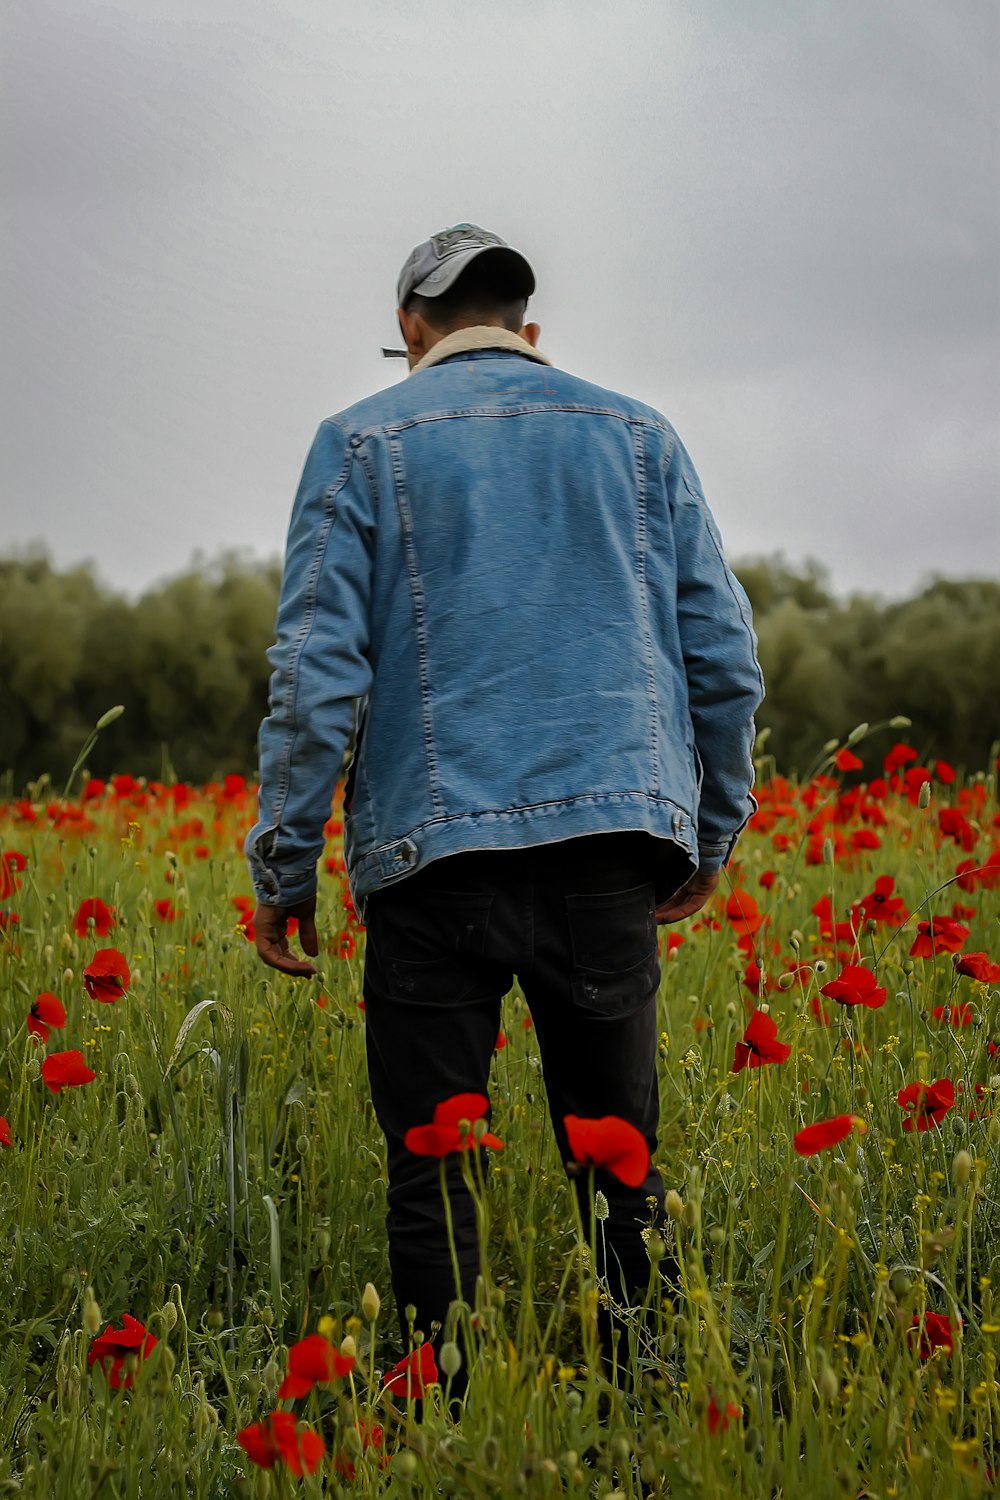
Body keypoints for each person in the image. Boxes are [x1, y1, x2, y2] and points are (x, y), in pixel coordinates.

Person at [247, 223, 764, 1381]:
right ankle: (652, 1410)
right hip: (606, 855)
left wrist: (283, 868)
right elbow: (726, 660)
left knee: (434, 1169)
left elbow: (313, 680)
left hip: (432, 867)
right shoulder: (638, 436)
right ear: (529, 333)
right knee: (620, 1163)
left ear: (410, 333)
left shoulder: (358, 443)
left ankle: (440, 1410)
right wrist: (710, 832)